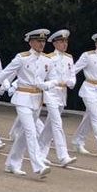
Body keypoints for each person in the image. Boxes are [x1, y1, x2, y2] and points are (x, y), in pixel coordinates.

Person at [0, 29, 54, 179]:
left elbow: (53, 78)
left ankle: (12, 163)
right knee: (30, 131)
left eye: (43, 41)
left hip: (37, 99)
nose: (42, 44)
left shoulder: (47, 61)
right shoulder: (22, 58)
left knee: (24, 134)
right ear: (31, 42)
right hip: (23, 97)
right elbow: (5, 73)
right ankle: (38, 165)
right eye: (38, 41)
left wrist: (47, 85)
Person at [38, 29, 78, 167]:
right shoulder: (48, 58)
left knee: (49, 126)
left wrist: (72, 82)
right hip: (51, 93)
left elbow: (72, 75)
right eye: (61, 41)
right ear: (54, 43)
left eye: (66, 41)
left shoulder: (69, 58)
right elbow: (41, 76)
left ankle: (39, 153)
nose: (64, 44)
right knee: (57, 123)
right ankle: (63, 156)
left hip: (62, 93)